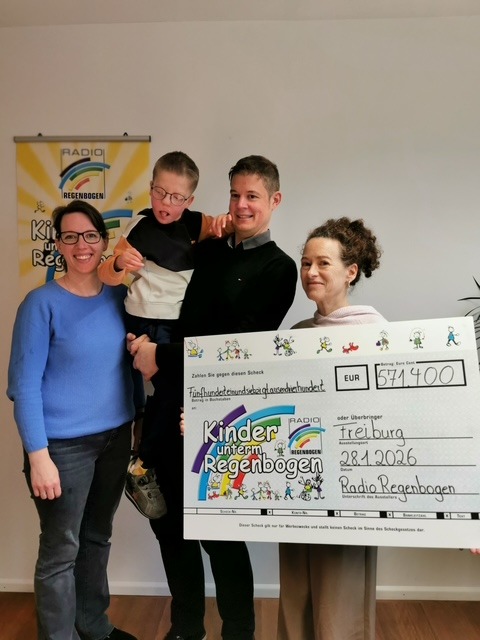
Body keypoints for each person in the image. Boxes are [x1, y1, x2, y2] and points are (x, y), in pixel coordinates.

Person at [130, 155, 298, 640]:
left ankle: (238, 633)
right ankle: (186, 628)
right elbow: (166, 305)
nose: (241, 205)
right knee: (168, 525)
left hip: (224, 415)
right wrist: (142, 341)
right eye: (235, 195)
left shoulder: (279, 268)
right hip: (168, 404)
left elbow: (239, 348)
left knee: (219, 534)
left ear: (274, 200)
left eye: (252, 196)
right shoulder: (205, 250)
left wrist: (161, 355)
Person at [7, 200, 144, 640]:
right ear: (58, 244)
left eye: (89, 236)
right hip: (62, 449)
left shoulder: (122, 297)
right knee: (60, 552)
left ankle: (94, 626)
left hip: (115, 440)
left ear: (104, 242)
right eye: (70, 236)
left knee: (97, 538)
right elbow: (24, 386)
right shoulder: (39, 304)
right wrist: (38, 456)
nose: (81, 245)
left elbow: (131, 365)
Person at [98, 151, 230, 518]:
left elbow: (223, 225)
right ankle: (141, 465)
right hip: (142, 320)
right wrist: (119, 263)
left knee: (175, 395)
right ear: (151, 188)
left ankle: (144, 461)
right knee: (167, 392)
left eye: (176, 196)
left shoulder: (195, 224)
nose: (165, 203)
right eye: (159, 192)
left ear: (189, 200)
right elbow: (106, 274)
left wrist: (225, 223)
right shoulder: (138, 226)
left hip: (176, 325)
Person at [277, 217, 384, 640]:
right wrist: (208, 425)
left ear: (351, 271)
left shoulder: (377, 335)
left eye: (323, 263)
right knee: (296, 594)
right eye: (306, 263)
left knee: (340, 602)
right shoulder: (296, 335)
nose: (311, 272)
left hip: (351, 488)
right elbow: (273, 409)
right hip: (298, 485)